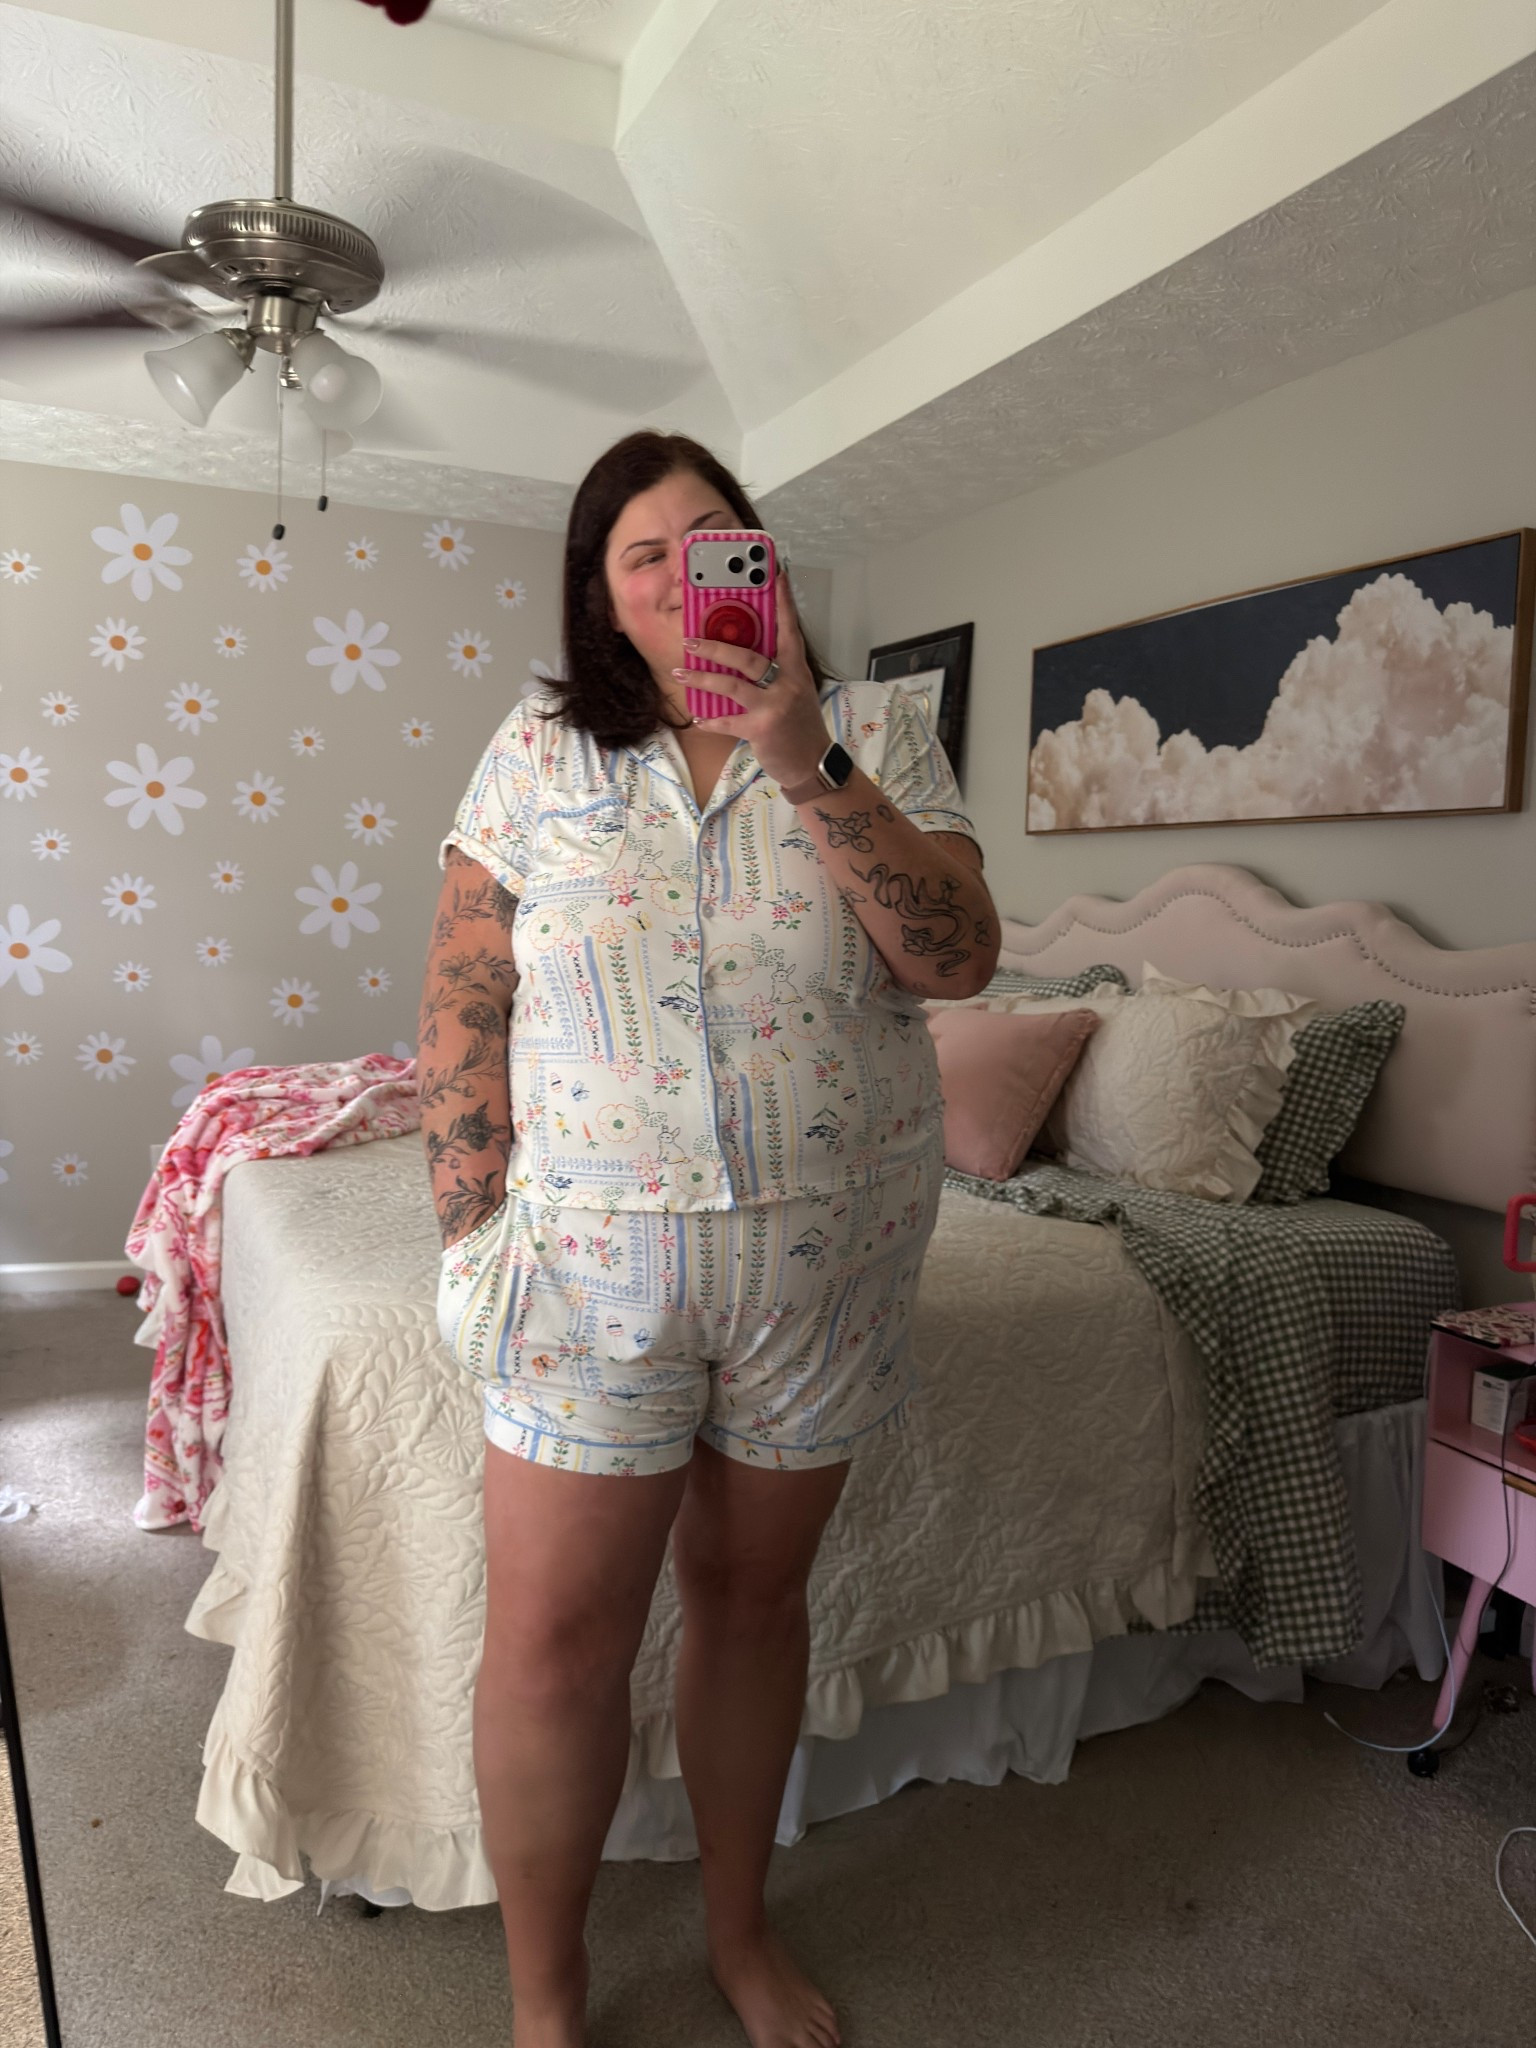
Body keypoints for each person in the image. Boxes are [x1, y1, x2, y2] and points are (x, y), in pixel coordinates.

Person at [418, 430, 999, 2048]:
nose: (684, 582)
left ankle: (739, 1934)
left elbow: (956, 961)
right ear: (601, 600)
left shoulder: (877, 730)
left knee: (753, 1604)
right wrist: (471, 1230)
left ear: (763, 564)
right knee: (554, 1640)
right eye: (644, 559)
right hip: (584, 1278)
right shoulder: (538, 753)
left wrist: (807, 754)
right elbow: (463, 999)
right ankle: (548, 2003)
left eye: (713, 545)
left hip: (826, 1268)